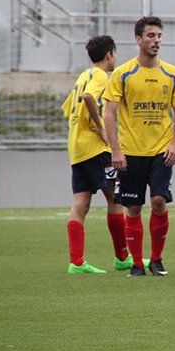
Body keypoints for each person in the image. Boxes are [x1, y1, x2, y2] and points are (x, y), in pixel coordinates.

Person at [103, 16, 175, 277]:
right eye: (151, 36)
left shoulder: (172, 73)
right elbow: (108, 114)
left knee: (159, 201)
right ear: (138, 39)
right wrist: (116, 150)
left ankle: (157, 259)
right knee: (134, 207)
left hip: (161, 151)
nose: (156, 41)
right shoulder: (123, 73)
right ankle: (137, 263)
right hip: (130, 152)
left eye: (159, 36)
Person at [61, 35, 131, 274]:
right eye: (115, 54)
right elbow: (89, 98)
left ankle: (76, 262)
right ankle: (122, 257)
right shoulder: (101, 76)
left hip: (76, 147)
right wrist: (100, 126)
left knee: (80, 203)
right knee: (115, 199)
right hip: (95, 148)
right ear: (109, 54)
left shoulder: (82, 76)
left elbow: (69, 108)